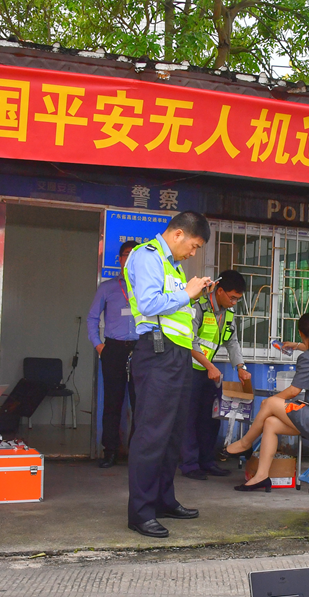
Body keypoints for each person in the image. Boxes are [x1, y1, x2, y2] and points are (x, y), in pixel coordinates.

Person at [123, 211, 214, 538]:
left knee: (173, 433)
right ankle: (141, 512)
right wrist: (187, 293)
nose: (193, 253)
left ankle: (163, 500)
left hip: (177, 354)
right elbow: (149, 303)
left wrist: (193, 292)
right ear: (178, 234)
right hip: (157, 352)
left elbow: (173, 307)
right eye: (194, 245)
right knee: (151, 434)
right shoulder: (147, 255)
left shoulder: (173, 266)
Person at [225, 312, 309, 492]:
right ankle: (261, 476)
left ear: (300, 333)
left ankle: (245, 444)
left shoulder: (307, 359)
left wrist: (271, 403)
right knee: (270, 423)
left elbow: (294, 391)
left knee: (268, 404)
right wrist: (296, 346)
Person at [180, 269, 251, 480]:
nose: (234, 302)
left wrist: (240, 367)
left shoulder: (228, 314)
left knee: (211, 418)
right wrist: (209, 366)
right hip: (190, 370)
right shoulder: (198, 307)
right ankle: (189, 465)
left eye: (238, 299)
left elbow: (232, 342)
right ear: (219, 291)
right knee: (189, 419)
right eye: (232, 297)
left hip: (209, 373)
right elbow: (189, 341)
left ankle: (207, 462)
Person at [88, 239, 139, 469]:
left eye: (135, 255)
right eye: (127, 254)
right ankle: (110, 451)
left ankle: (137, 454)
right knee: (112, 403)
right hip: (114, 349)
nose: (130, 259)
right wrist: (99, 346)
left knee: (140, 403)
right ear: (120, 259)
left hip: (140, 349)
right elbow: (92, 318)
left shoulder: (146, 287)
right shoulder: (107, 288)